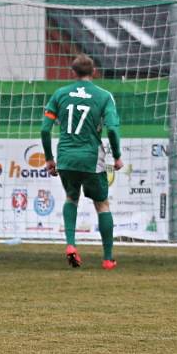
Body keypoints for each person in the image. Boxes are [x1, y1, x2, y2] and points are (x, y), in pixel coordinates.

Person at [41, 54, 123, 269]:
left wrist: (49, 158)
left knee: (71, 198)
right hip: (91, 158)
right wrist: (117, 156)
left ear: (73, 72)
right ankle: (107, 258)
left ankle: (70, 244)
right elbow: (113, 129)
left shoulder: (60, 94)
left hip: (66, 157)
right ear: (93, 71)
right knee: (102, 204)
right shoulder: (104, 96)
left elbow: (44, 129)